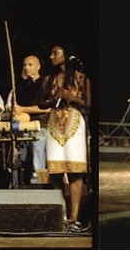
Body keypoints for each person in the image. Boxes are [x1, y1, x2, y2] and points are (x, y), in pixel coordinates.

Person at [38, 45, 90, 232]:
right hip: (54, 122)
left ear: (67, 55)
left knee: (75, 170)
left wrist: (71, 97)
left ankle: (74, 217)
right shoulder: (48, 79)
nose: (51, 56)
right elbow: (40, 102)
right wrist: (54, 100)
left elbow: (89, 104)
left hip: (75, 123)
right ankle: (59, 216)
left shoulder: (80, 78)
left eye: (56, 53)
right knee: (56, 171)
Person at [8, 55, 51, 184]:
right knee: (23, 159)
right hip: (22, 126)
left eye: (30, 65)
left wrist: (23, 109)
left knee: (37, 159)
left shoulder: (45, 84)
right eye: (24, 65)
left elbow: (47, 109)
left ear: (38, 67)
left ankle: (39, 186)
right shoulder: (22, 87)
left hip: (39, 126)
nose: (26, 67)